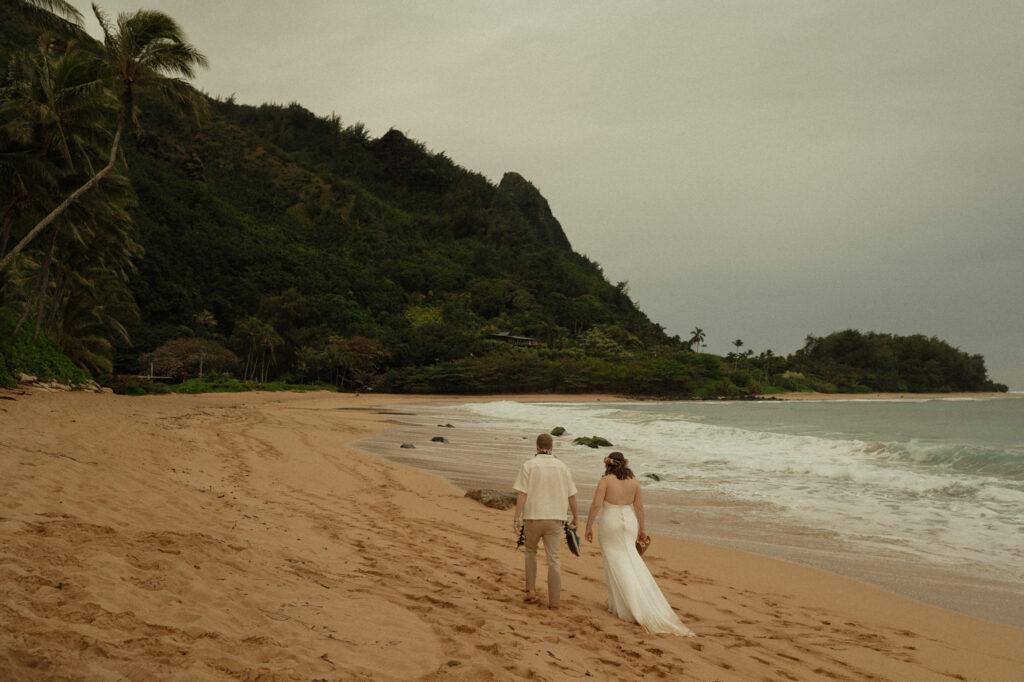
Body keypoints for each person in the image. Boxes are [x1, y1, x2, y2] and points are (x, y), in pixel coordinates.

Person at [584, 451, 695, 636]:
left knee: (614, 562)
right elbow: (639, 507)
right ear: (625, 464)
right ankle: (616, 603)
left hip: (610, 522)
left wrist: (588, 526)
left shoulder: (605, 480)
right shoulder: (634, 481)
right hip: (629, 522)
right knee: (630, 559)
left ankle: (626, 605)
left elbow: (596, 504)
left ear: (608, 464)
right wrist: (642, 530)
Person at [512, 433, 579, 608]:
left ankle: (531, 590)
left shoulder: (529, 465)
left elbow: (522, 493)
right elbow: (572, 495)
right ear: (551, 448)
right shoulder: (563, 467)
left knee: (530, 552)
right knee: (554, 559)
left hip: (533, 516)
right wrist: (576, 517)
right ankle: (555, 601)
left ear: (536, 447)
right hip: (555, 518)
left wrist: (516, 517)